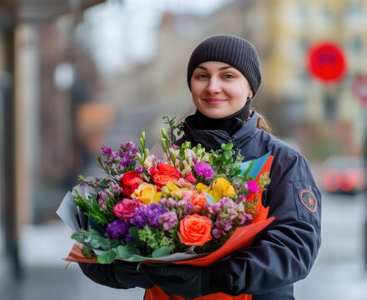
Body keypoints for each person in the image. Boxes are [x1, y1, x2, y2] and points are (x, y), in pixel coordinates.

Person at [79, 34, 322, 300]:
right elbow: (97, 248)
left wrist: (211, 279)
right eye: (202, 76)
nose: (213, 87)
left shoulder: (283, 162)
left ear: (250, 88)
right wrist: (130, 268)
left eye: (228, 76)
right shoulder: (163, 161)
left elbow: (294, 251)